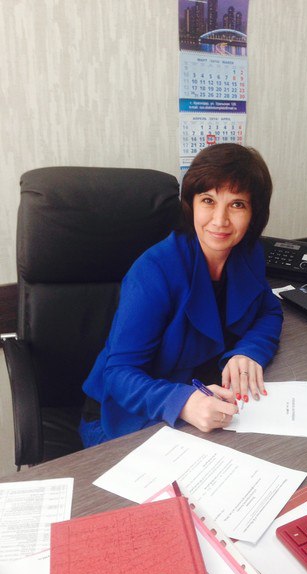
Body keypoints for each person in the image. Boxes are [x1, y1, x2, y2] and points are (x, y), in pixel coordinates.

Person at [79, 143, 283, 447]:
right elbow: (119, 375)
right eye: (208, 200)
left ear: (254, 213)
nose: (220, 220)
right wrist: (183, 402)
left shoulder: (247, 253)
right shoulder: (154, 271)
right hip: (124, 418)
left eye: (237, 204)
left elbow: (269, 310)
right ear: (191, 204)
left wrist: (249, 351)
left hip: (204, 400)